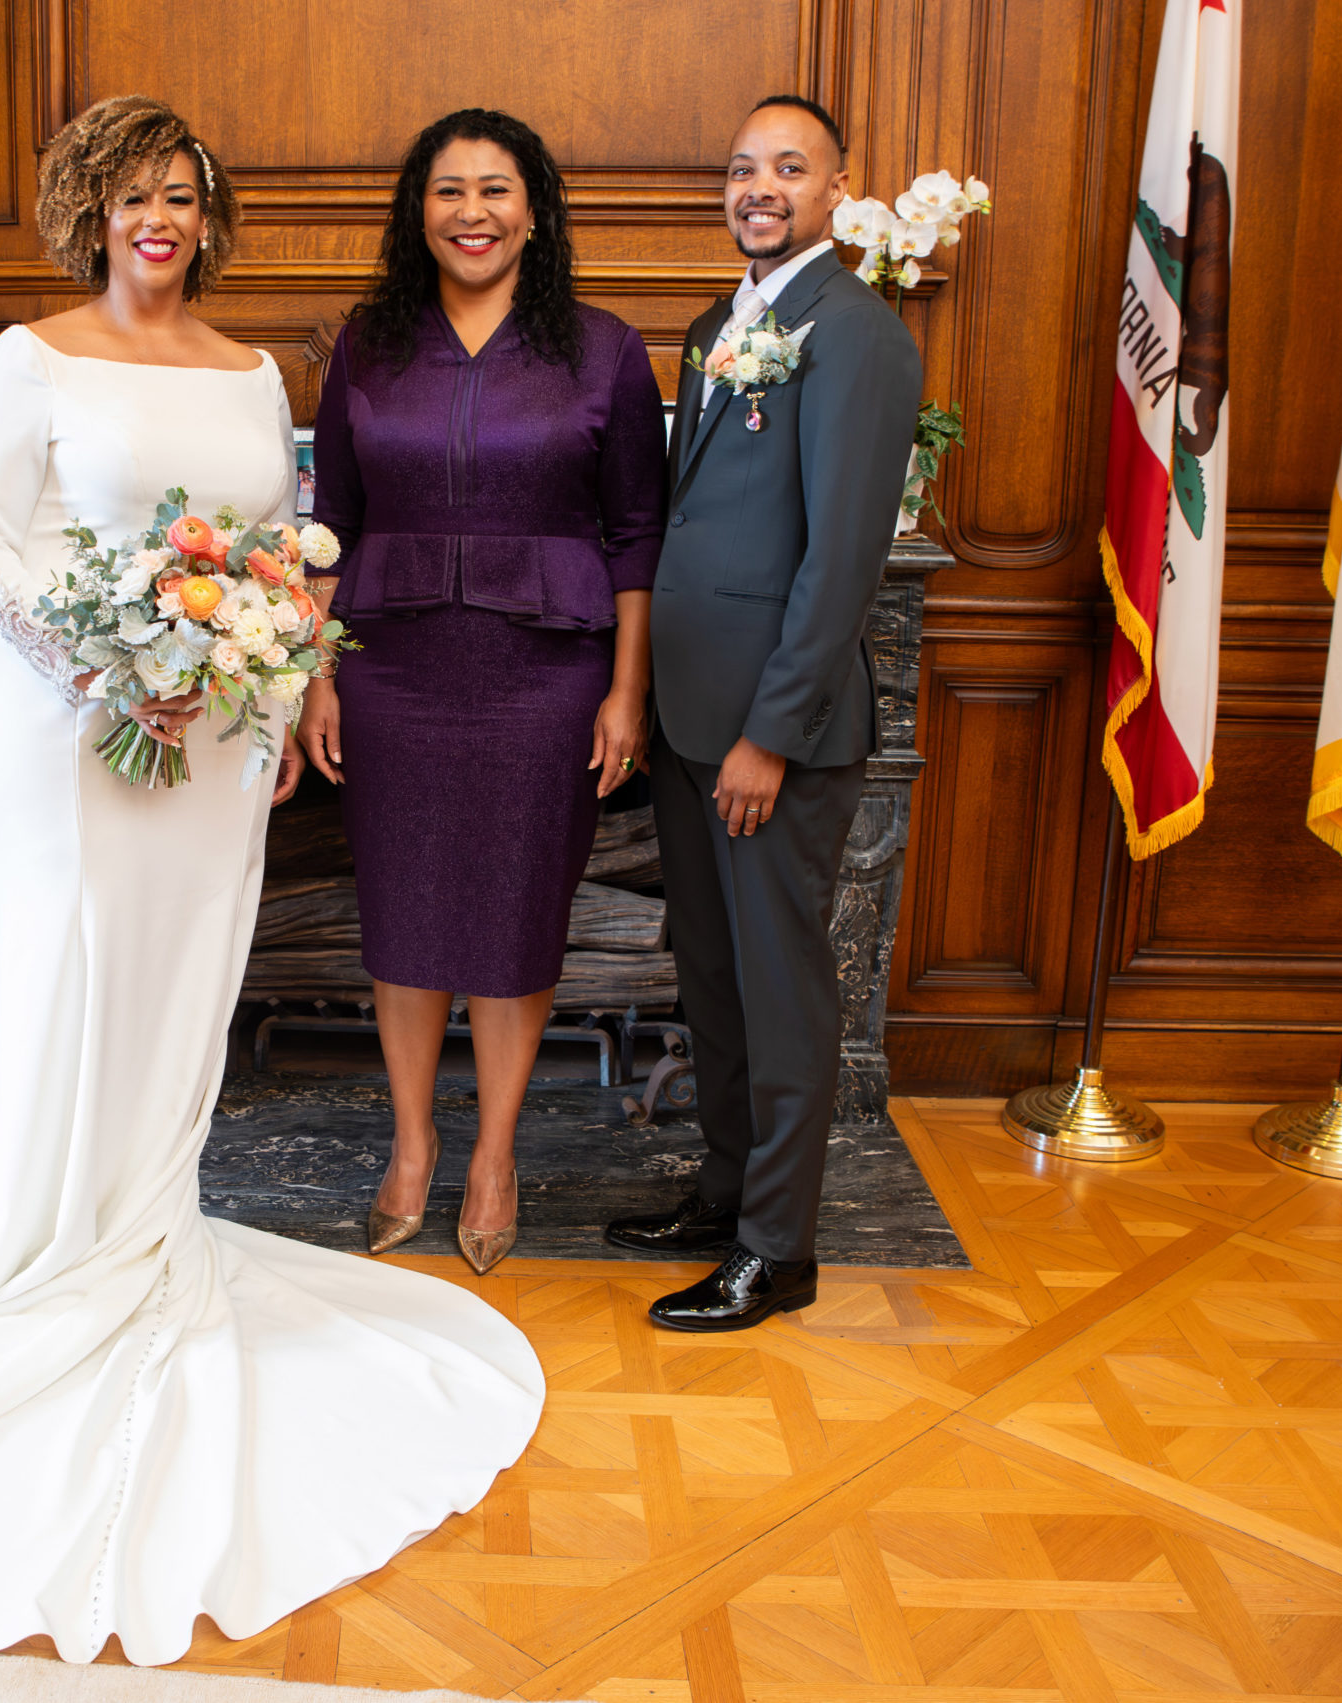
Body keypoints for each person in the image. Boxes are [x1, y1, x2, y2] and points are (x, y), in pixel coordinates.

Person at [0, 96, 544, 1664]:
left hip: (214, 726)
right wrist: (99, 662)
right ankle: (46, 1245)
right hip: (68, 722)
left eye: (182, 196)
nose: (160, 219)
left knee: (187, 968)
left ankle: (146, 1223)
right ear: (91, 211)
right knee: (72, 957)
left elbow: (286, 544)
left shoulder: (249, 369)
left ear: (207, 217)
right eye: (134, 196)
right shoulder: (32, 358)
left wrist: (273, 697)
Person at [296, 109, 664, 1276]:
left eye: (495, 189)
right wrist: (314, 677)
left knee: (512, 917)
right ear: (419, 211)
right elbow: (327, 526)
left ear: (535, 209)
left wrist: (625, 690)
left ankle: (494, 1152)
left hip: (545, 677)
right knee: (402, 915)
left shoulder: (602, 347)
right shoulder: (367, 341)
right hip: (390, 667)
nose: (471, 211)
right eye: (448, 189)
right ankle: (412, 1144)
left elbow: (638, 535)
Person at [603, 96, 921, 1330]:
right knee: (715, 978)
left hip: (768, 737)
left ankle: (777, 1250)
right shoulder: (713, 325)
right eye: (742, 167)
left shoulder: (858, 335)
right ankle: (726, 1192)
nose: (760, 186)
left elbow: (841, 559)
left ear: (839, 188)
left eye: (789, 167)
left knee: (781, 988)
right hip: (689, 719)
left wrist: (768, 735)